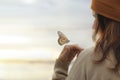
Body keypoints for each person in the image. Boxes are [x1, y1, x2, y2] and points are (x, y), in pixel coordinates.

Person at [52, 0, 120, 80]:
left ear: (106, 21)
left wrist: (60, 69)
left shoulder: (91, 59)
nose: (93, 26)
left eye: (96, 17)